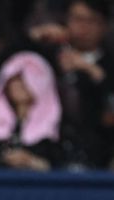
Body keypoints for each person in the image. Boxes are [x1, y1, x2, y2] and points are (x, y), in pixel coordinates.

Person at [25, 0, 114, 167]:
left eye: (91, 20)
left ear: (104, 26)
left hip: (99, 152)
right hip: (48, 148)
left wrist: (92, 72)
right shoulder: (49, 55)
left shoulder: (109, 65)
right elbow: (7, 70)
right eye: (78, 19)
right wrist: (34, 36)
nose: (84, 27)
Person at [0, 51, 64, 170]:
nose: (19, 84)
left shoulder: (58, 129)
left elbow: (64, 166)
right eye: (14, 78)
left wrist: (31, 161)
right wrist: (1, 161)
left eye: (27, 77)